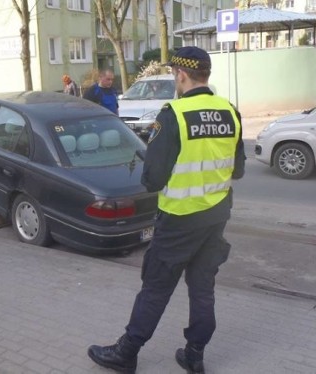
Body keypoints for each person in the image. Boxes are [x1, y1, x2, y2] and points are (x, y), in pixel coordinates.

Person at [87, 46, 246, 374]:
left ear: (181, 75)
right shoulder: (230, 111)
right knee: (202, 288)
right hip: (216, 218)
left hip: (179, 219)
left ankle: (126, 352)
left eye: (175, 73)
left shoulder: (174, 114)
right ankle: (195, 354)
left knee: (156, 286)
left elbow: (153, 179)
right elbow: (239, 170)